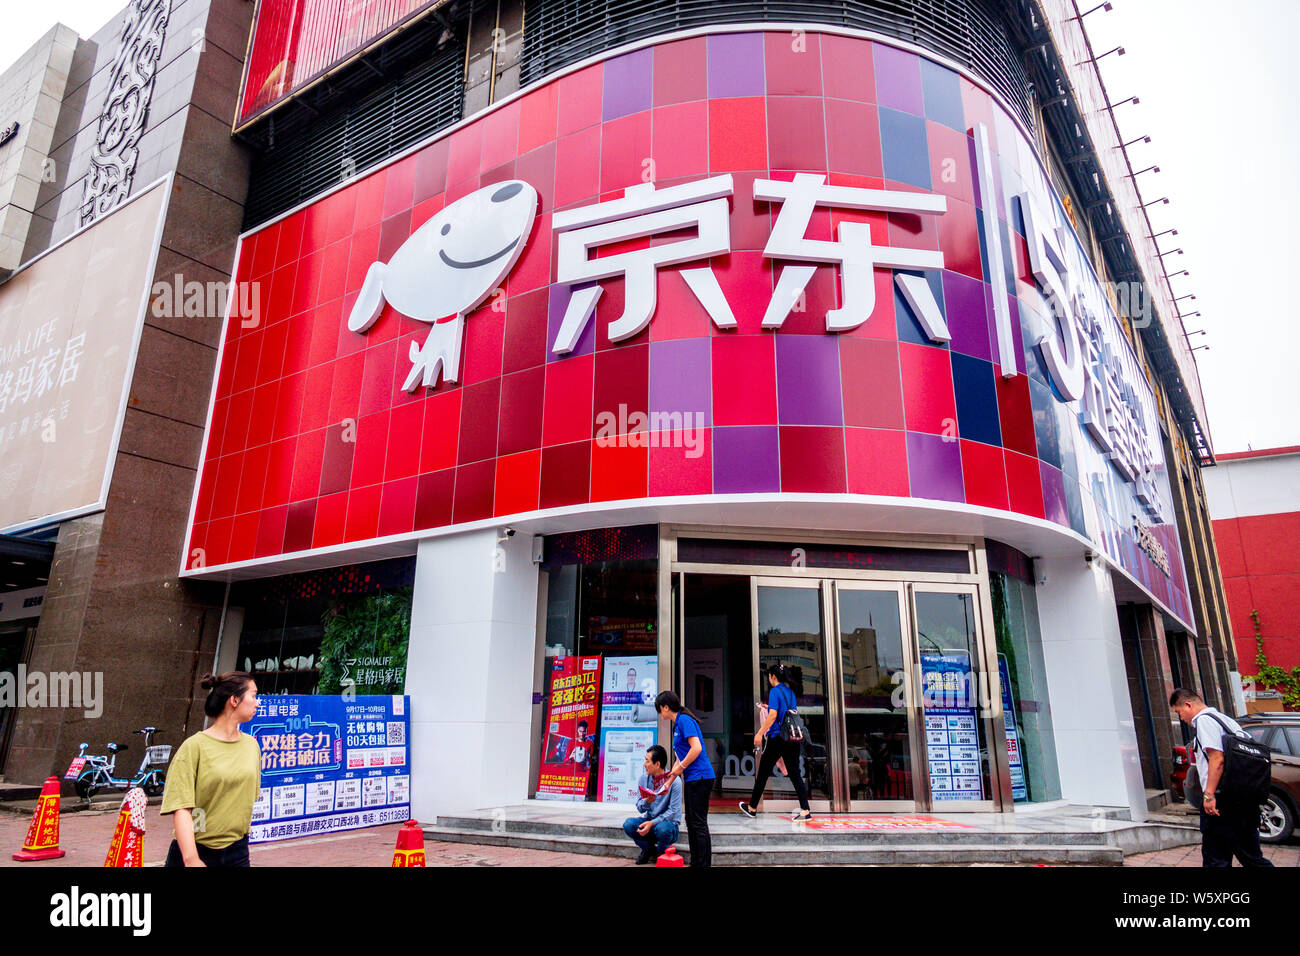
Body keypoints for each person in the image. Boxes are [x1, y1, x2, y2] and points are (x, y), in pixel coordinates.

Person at [161, 672, 262, 867]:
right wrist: (192, 859)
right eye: (253, 695)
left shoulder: (252, 746)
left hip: (237, 852)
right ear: (234, 700)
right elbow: (181, 807)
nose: (257, 703)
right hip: (195, 852)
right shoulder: (194, 747)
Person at [1170, 688, 1273, 868]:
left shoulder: (1203, 721)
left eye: (1179, 712)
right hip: (1244, 798)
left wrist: (1209, 795)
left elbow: (1217, 759)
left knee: (1216, 858)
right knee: (1252, 857)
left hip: (1223, 801)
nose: (1182, 718)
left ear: (1188, 705)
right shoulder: (1226, 721)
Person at [739, 663, 813, 821]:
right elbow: (785, 712)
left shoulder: (774, 691)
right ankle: (805, 810)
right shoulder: (790, 692)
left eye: (769, 676)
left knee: (763, 773)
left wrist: (759, 733)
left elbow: (773, 716)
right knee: (795, 774)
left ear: (773, 676)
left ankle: (752, 808)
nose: (769, 679)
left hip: (777, 738)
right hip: (792, 738)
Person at [655, 690, 715, 867]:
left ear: (666, 707)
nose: (660, 714)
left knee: (698, 823)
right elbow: (680, 758)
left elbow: (695, 749)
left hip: (700, 777)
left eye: (660, 710)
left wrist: (680, 769)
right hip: (692, 778)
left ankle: (703, 864)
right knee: (692, 822)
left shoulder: (684, 720)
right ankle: (696, 863)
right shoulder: (678, 724)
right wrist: (669, 782)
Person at [621, 745, 682, 864]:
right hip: (649, 820)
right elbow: (639, 807)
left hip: (668, 825)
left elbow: (673, 812)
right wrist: (646, 802)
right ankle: (648, 849)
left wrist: (652, 823)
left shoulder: (675, 782)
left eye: (647, 761)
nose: (644, 764)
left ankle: (661, 853)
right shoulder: (643, 779)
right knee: (629, 824)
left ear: (657, 764)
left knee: (663, 829)